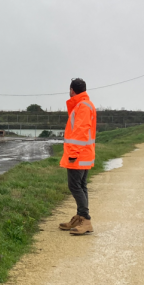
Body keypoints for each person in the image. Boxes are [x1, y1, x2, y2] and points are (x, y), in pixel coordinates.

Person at [58, 78, 97, 235]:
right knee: (81, 185)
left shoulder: (82, 107)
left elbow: (79, 131)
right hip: (84, 153)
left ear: (72, 90)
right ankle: (80, 217)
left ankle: (85, 219)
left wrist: (73, 153)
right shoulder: (85, 105)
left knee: (75, 186)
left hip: (78, 154)